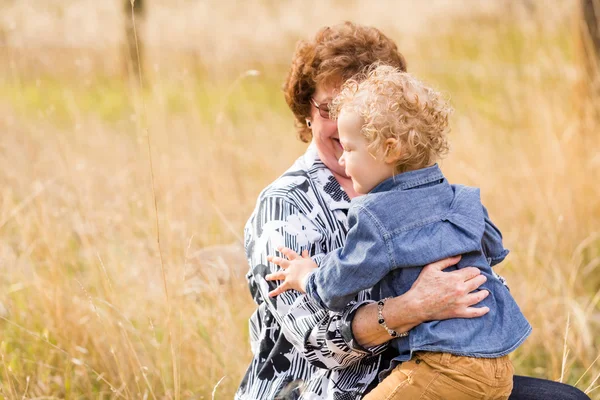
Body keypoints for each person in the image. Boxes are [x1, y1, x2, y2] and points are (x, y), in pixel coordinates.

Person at [236, 21, 589, 400]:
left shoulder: (409, 185)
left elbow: (479, 265)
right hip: (321, 389)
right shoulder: (285, 204)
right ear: (306, 108)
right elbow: (315, 343)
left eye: (363, 116)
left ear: (394, 134)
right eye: (328, 109)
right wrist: (411, 307)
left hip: (433, 370)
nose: (342, 125)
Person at [266, 65, 531, 399]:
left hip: (444, 367)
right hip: (498, 362)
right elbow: (494, 249)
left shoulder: (375, 216)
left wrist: (307, 276)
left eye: (350, 149)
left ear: (389, 150)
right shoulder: (461, 198)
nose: (344, 162)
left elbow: (339, 283)